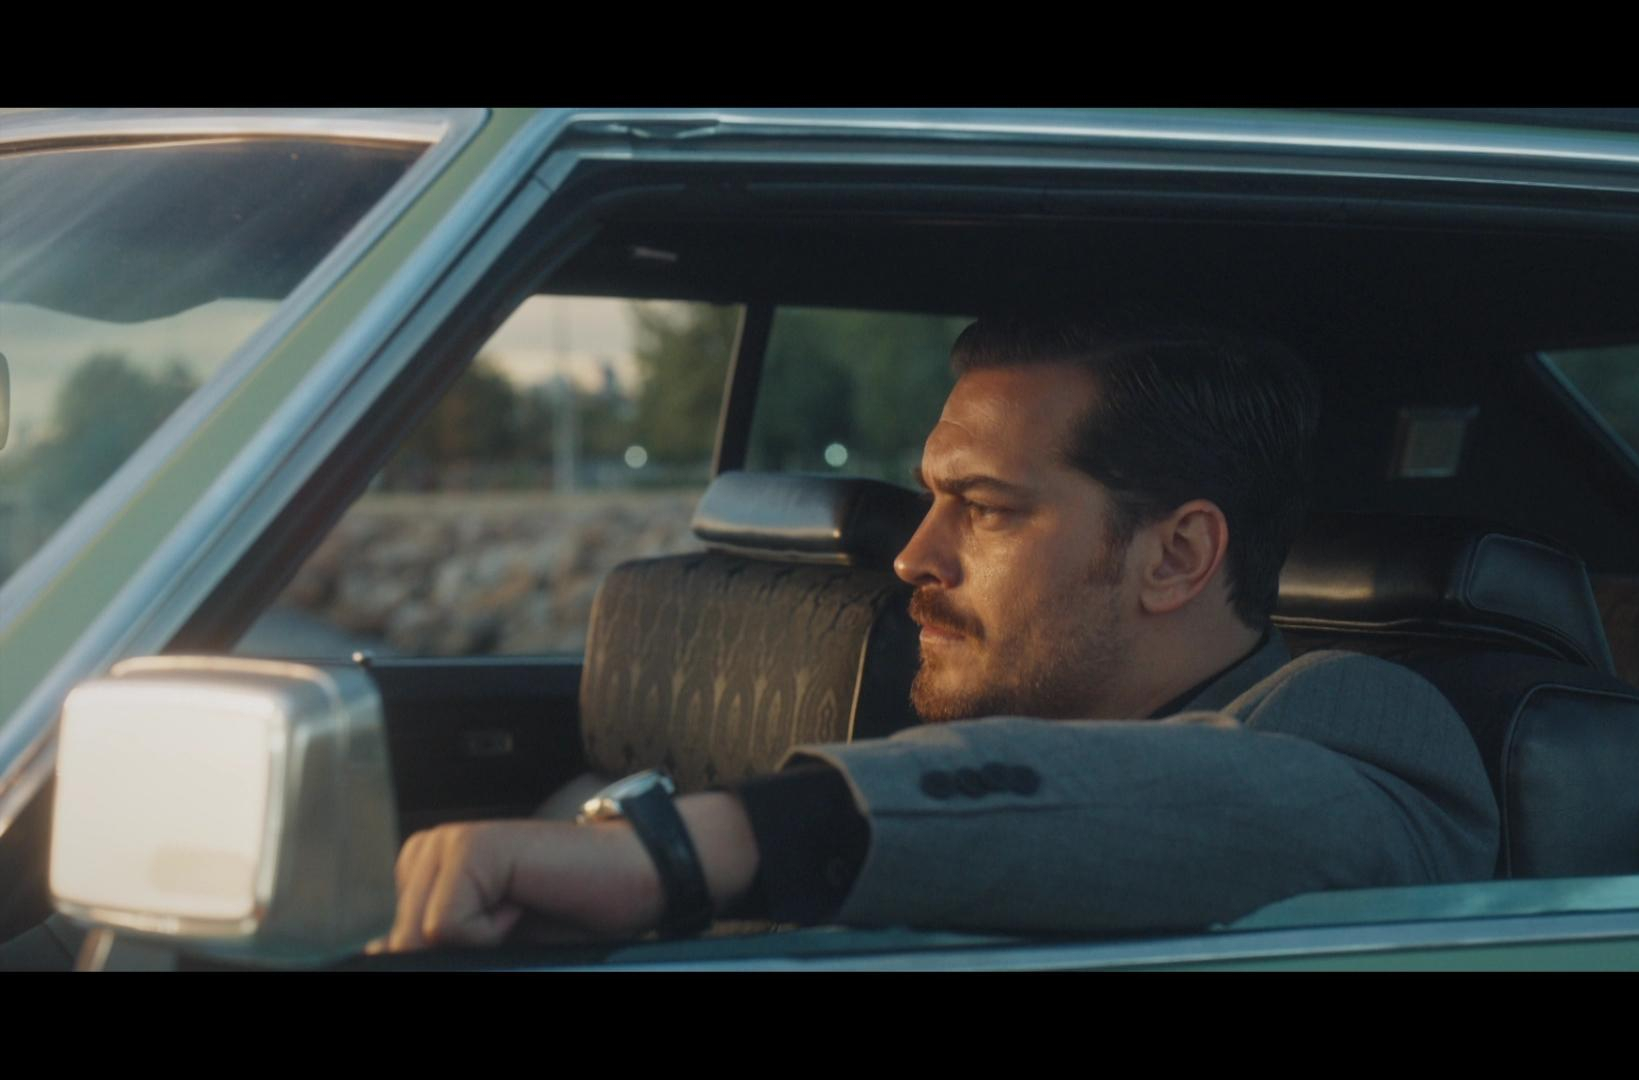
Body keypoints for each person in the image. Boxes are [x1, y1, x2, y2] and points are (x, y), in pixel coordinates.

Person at [375, 312, 1498, 951]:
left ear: (1177, 557)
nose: (914, 555)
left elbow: (1225, 804)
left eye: (987, 508)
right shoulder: (961, 718)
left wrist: (688, 850)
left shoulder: (1356, 733)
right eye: (931, 498)